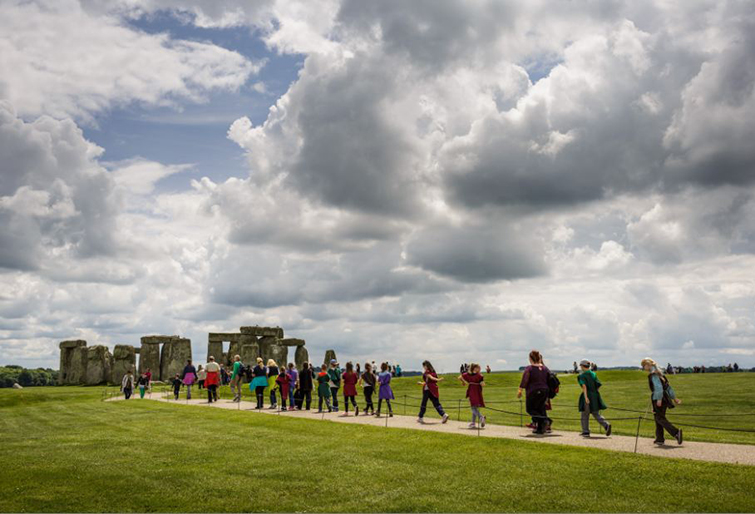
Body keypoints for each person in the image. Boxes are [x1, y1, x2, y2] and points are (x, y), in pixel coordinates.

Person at [641, 358, 683, 445]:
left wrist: (659, 399)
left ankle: (676, 433)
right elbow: (668, 387)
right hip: (665, 398)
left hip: (659, 398)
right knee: (658, 418)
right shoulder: (660, 374)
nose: (643, 367)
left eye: (643, 365)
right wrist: (674, 398)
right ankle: (659, 438)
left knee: (659, 418)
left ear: (648, 365)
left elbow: (658, 387)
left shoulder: (653, 375)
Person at [517, 350, 551, 435]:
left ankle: (545, 420)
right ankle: (540, 429)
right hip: (544, 391)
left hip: (533, 391)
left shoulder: (529, 368)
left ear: (531, 358)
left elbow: (525, 380)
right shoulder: (544, 368)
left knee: (530, 409)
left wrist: (520, 390)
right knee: (539, 409)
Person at [577, 360, 611, 437]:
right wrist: (595, 394)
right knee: (595, 413)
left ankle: (585, 431)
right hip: (595, 395)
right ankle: (606, 425)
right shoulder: (593, 374)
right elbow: (598, 385)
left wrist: (586, 397)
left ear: (582, 366)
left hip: (588, 395)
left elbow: (584, 386)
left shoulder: (582, 376)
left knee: (585, 414)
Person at [459, 363, 485, 428]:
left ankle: (474, 422)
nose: (480, 369)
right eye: (479, 368)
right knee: (474, 407)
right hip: (477, 391)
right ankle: (480, 418)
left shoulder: (467, 375)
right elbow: (483, 384)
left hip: (472, 391)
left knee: (474, 407)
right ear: (475, 368)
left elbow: (459, 377)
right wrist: (481, 382)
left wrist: (463, 382)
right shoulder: (479, 376)